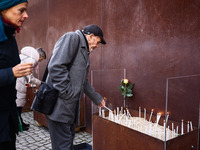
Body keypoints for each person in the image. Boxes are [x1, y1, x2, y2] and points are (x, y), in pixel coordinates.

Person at [46, 24, 106, 150]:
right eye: (98, 42)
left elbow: (83, 82)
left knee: (67, 144)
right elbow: (56, 67)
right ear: (90, 36)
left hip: (69, 110)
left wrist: (97, 99)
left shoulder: (84, 50)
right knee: (63, 146)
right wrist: (68, 93)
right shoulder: (72, 38)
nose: (97, 46)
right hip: (60, 108)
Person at [0, 1, 32, 150]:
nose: (26, 15)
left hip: (7, 118)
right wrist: (11, 73)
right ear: (3, 9)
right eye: (21, 11)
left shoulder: (10, 35)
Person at [16, 47, 46, 131]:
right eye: (41, 59)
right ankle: (18, 125)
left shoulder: (25, 56)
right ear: (39, 55)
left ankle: (20, 122)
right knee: (19, 103)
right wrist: (41, 83)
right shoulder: (32, 60)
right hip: (19, 82)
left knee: (17, 103)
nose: (40, 61)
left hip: (16, 80)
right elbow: (29, 77)